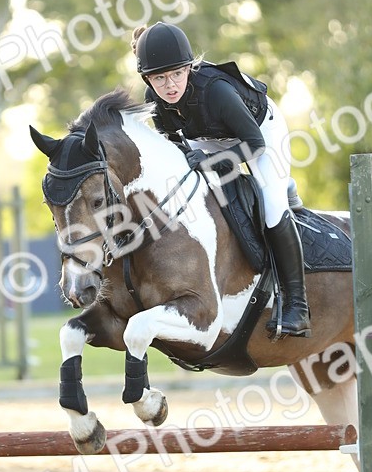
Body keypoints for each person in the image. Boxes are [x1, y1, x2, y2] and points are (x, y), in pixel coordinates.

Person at [132, 20, 310, 337]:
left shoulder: (217, 92)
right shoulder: (155, 101)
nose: (170, 85)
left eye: (177, 74)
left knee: (272, 206)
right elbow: (172, 143)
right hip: (208, 137)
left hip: (260, 133)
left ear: (189, 68)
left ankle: (298, 305)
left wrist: (211, 161)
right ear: (148, 79)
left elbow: (254, 145)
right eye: (159, 78)